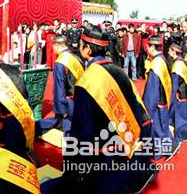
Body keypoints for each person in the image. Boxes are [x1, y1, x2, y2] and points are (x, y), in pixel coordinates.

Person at [40, 27, 155, 194]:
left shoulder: (87, 80)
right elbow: (136, 106)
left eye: (81, 44)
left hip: (100, 155)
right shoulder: (119, 70)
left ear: (88, 48)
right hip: (124, 146)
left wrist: (77, 165)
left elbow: (83, 130)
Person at [0, 51, 35, 155]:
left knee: (10, 154)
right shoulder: (15, 69)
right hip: (24, 115)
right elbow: (26, 92)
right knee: (22, 150)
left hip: (7, 123)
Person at [37, 35, 84, 136]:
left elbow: (59, 89)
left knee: (67, 128)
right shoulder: (77, 57)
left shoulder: (60, 62)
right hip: (80, 100)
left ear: (57, 45)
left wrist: (61, 109)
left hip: (69, 102)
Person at [142, 36, 180, 160]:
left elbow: (151, 92)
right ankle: (170, 144)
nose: (146, 48)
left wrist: (147, 112)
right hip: (164, 101)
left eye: (148, 46)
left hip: (157, 104)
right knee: (162, 127)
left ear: (152, 47)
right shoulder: (163, 59)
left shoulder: (156, 65)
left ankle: (169, 147)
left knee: (157, 130)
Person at [168, 43, 187, 142]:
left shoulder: (177, 66)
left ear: (174, 52)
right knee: (184, 116)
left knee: (179, 119)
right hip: (186, 93)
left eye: (169, 50)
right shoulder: (182, 61)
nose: (168, 51)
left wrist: (170, 100)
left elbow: (174, 86)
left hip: (180, 95)